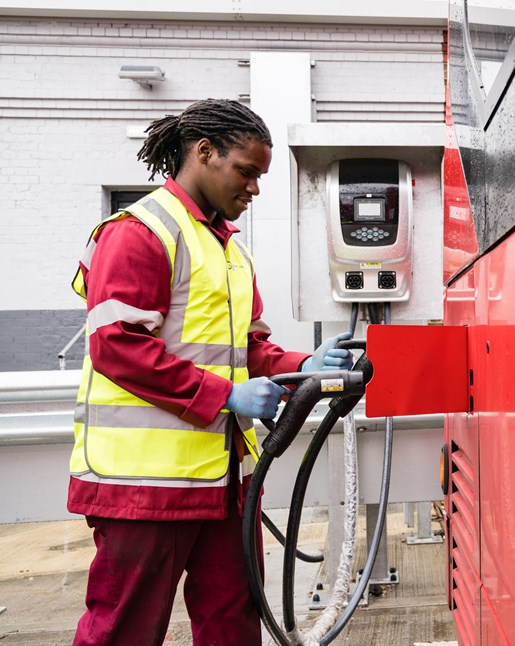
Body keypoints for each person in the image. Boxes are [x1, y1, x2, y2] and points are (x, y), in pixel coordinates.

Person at [68, 98, 353, 645]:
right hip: (143, 487)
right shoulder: (139, 232)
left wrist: (304, 367)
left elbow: (248, 349)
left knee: (234, 623)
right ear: (204, 152)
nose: (255, 188)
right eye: (247, 171)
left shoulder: (227, 251)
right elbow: (117, 347)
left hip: (223, 483)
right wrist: (225, 397)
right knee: (124, 630)